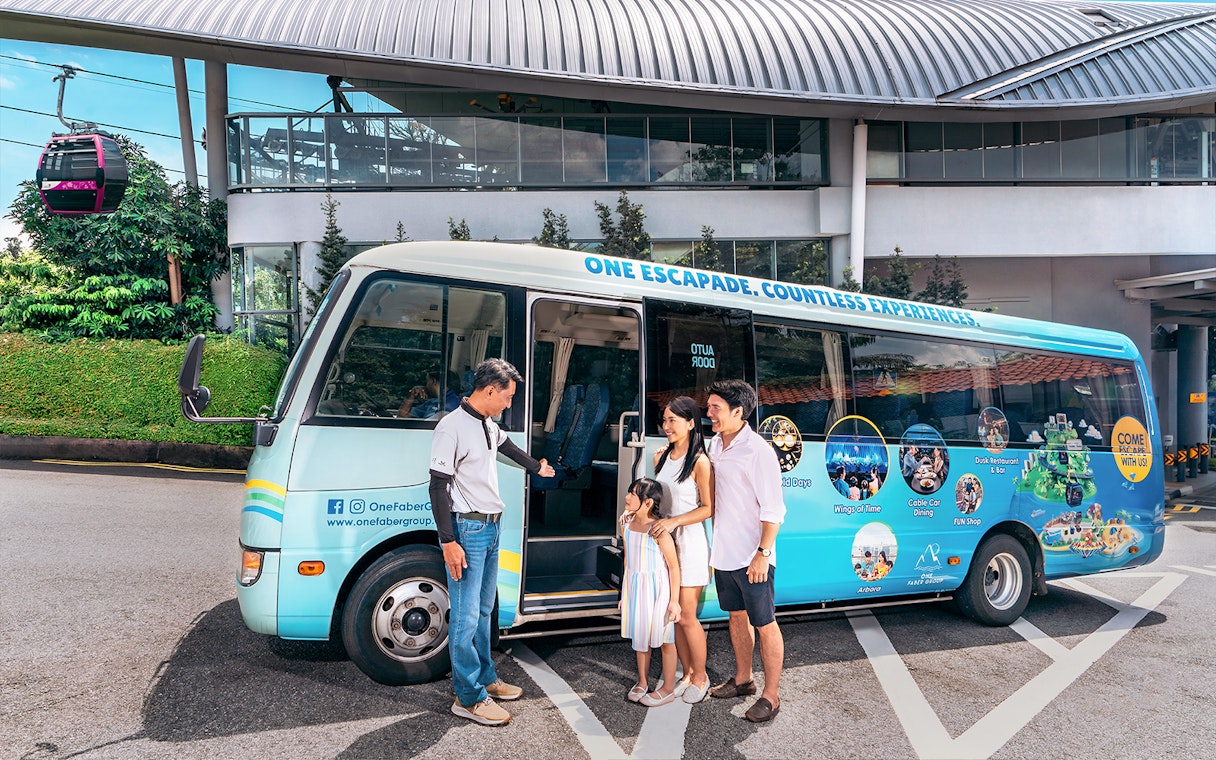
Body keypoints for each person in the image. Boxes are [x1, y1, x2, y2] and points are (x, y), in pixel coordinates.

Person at [429, 358, 555, 726]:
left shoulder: (487, 424)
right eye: (508, 395)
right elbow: (437, 485)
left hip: (491, 528)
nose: (509, 402)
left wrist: (537, 467)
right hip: (466, 532)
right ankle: (468, 697)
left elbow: (508, 448)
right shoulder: (451, 428)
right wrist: (447, 541)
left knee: (484, 611)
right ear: (489, 391)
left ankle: (486, 678)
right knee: (466, 618)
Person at [704, 379, 786, 723]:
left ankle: (771, 695)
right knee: (736, 617)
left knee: (765, 623)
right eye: (708, 407)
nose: (708, 413)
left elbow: (774, 510)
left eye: (715, 408)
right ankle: (743, 680)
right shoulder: (714, 445)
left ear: (738, 412)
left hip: (753, 556)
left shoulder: (758, 451)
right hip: (724, 552)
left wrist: (762, 554)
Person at [647, 396, 714, 704]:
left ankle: (700, 677)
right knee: (673, 616)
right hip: (666, 545)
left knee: (687, 615)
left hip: (690, 543)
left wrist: (675, 522)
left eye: (673, 420)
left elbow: (707, 508)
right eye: (664, 420)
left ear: (691, 423)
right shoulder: (661, 456)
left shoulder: (700, 462)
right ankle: (687, 673)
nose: (666, 425)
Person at [620, 477, 683, 707]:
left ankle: (667, 688)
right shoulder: (625, 523)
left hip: (658, 589)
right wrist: (623, 593)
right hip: (636, 587)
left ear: (647, 503)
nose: (627, 497)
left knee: (666, 639)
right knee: (640, 637)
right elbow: (628, 558)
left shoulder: (658, 531)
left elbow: (673, 566)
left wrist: (674, 601)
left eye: (633, 494)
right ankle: (643, 681)